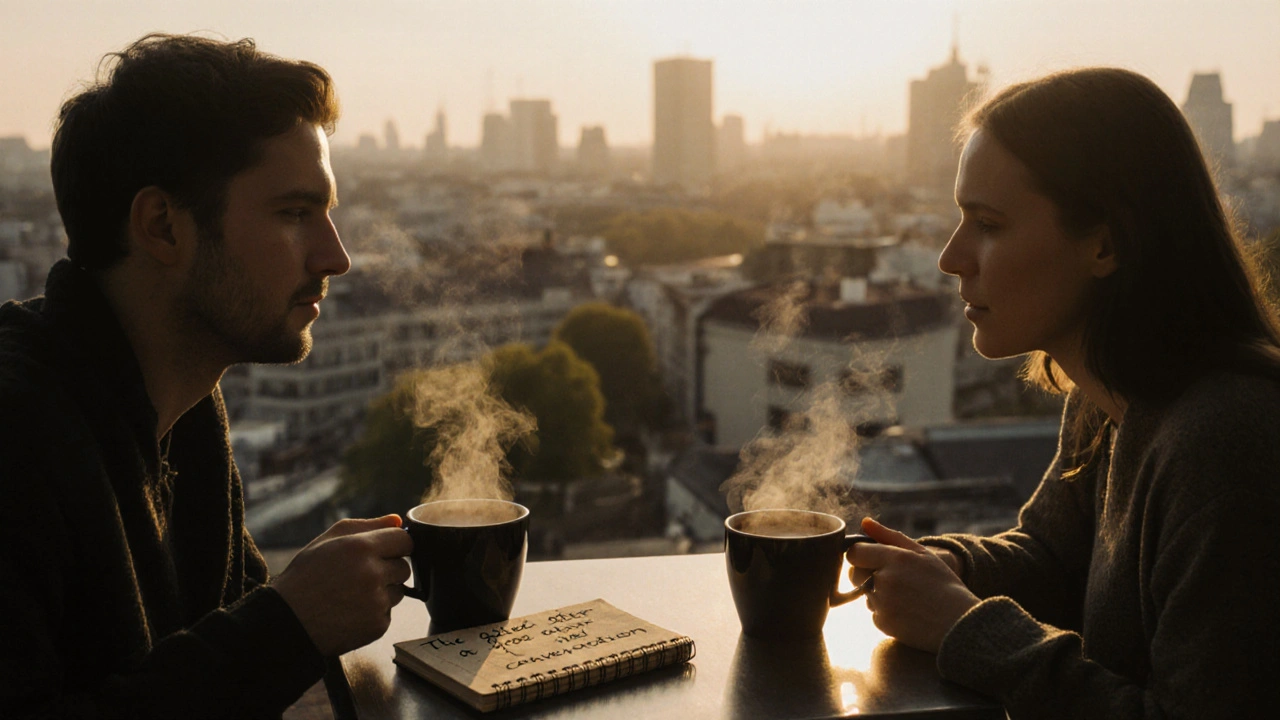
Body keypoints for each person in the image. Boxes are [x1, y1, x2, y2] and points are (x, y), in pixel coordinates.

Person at [0, 34, 413, 718]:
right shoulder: (16, 440)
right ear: (163, 226)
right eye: (294, 213)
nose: (335, 257)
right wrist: (289, 623)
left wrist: (296, 609)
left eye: (328, 213)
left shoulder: (186, 408)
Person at [848, 67, 1280, 718]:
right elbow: (1054, 558)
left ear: (1104, 244)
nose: (950, 257)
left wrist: (963, 627)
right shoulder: (1108, 396)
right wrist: (941, 569)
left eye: (988, 223)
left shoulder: (1227, 441)